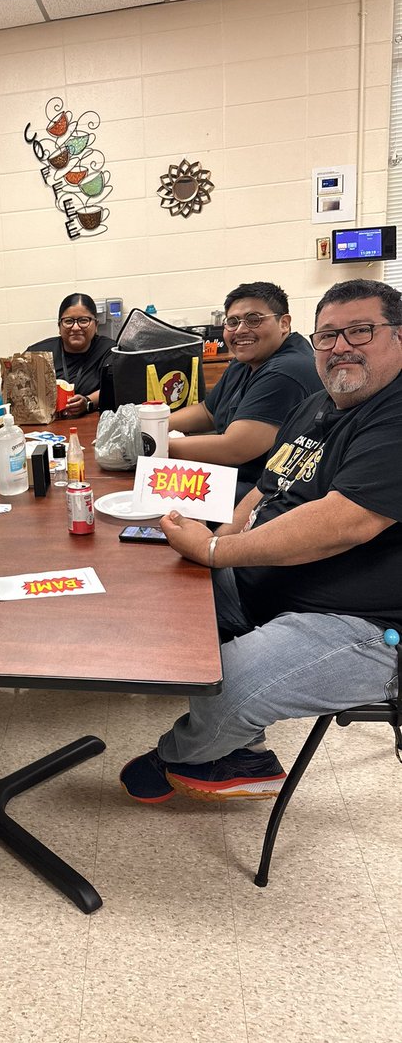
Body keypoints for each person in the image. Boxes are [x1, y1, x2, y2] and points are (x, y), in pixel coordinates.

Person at [120, 278, 402, 804]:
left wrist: (213, 552)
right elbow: (267, 490)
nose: (341, 346)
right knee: (163, 603)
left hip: (365, 624)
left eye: (360, 332)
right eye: (329, 336)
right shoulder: (317, 403)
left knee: (228, 684)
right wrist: (216, 548)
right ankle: (242, 746)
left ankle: (186, 755)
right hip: (278, 585)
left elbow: (345, 523)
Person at [168, 282, 320, 499]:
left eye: (254, 319)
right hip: (238, 475)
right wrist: (152, 424)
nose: (240, 330)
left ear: (284, 323)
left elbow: (234, 448)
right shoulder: (247, 360)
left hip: (269, 492)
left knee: (156, 497)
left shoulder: (287, 371)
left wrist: (151, 446)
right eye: (232, 322)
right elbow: (207, 412)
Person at [27, 293, 113, 417]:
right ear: (59, 326)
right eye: (68, 321)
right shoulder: (37, 354)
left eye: (84, 321)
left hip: (92, 426)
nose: (76, 327)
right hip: (47, 429)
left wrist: (87, 401)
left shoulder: (108, 350)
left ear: (96, 325)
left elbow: (115, 388)